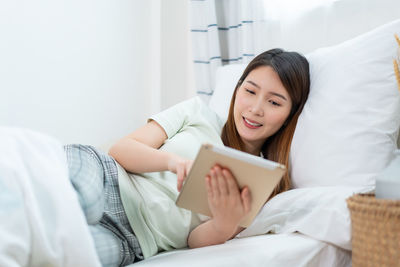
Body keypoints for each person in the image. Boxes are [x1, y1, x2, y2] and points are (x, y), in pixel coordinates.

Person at [64, 48, 310, 267]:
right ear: (237, 90)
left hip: (132, 240)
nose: (256, 108)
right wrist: (173, 162)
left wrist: (224, 224)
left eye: (274, 102)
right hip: (107, 179)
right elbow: (121, 149)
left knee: (63, 255)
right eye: (250, 91)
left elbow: (193, 240)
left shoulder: (262, 181)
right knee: (72, 202)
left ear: (290, 115)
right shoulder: (197, 112)